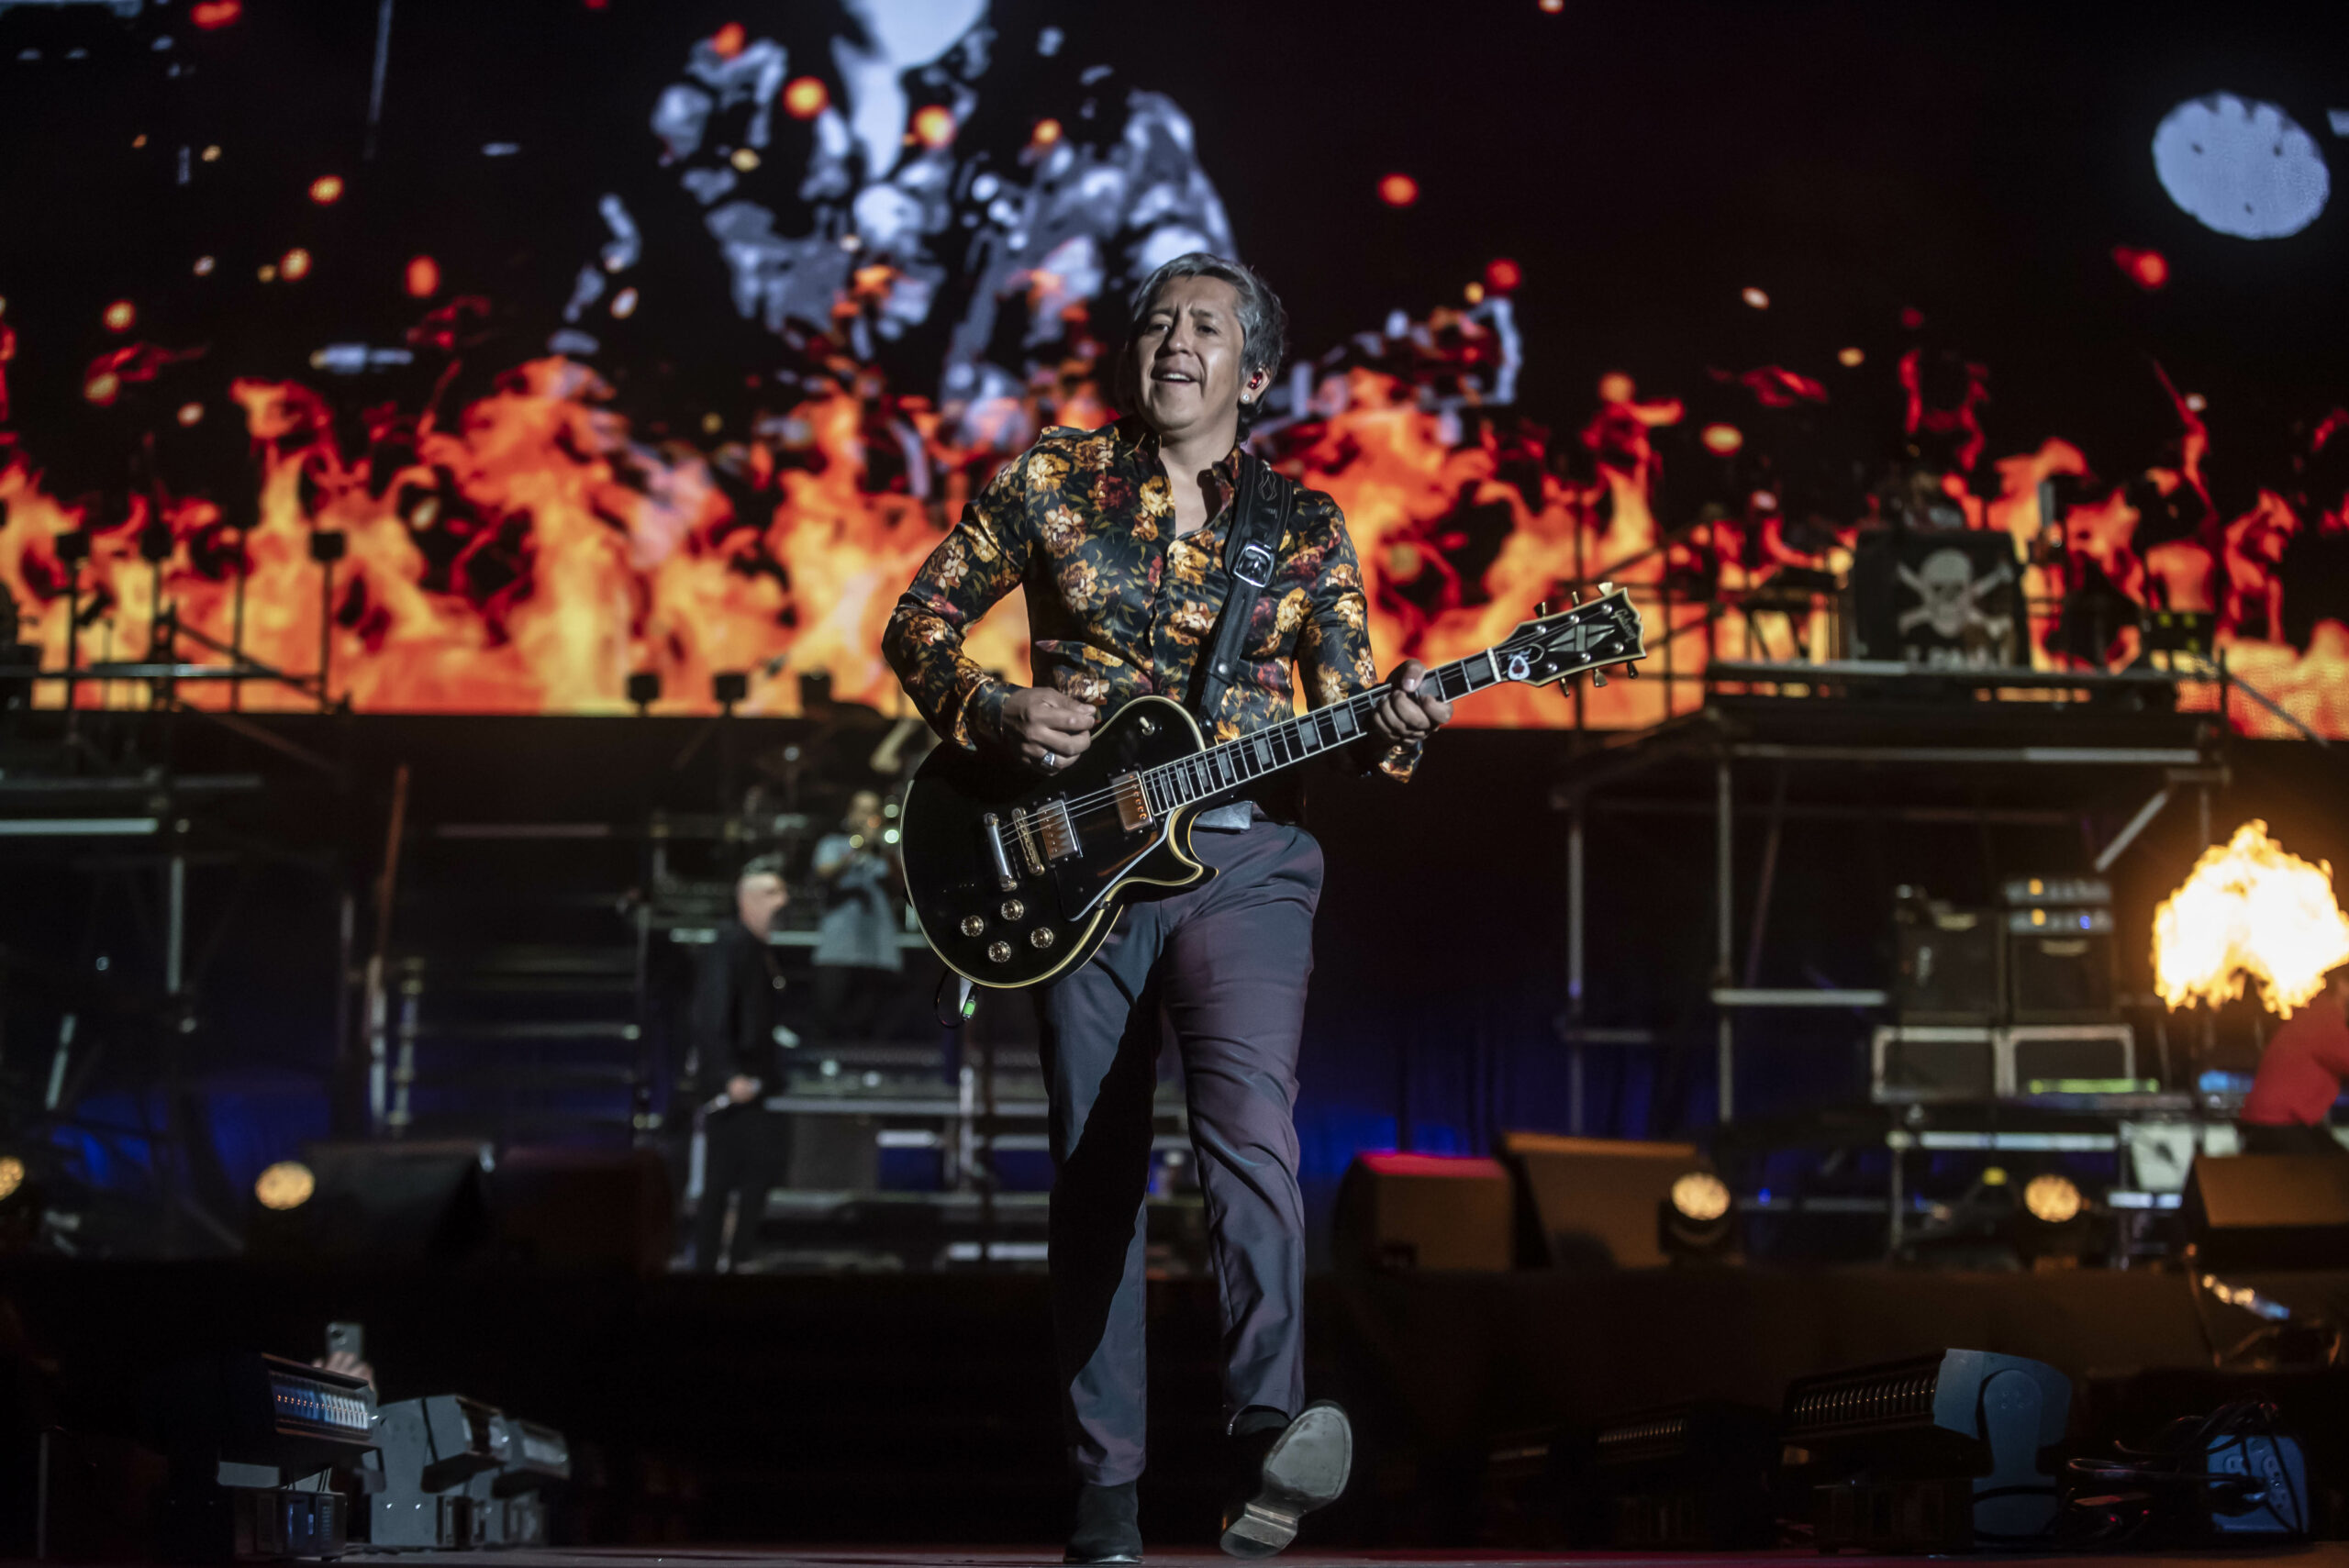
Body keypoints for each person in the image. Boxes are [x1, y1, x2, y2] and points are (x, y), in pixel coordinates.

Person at [883, 253, 1451, 1562]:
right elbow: (920, 623)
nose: (1174, 340)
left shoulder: (1302, 526)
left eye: (1205, 325)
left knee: (1250, 1129)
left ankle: (1266, 1440)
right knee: (1097, 1174)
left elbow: (1354, 713)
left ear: (1254, 372)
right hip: (1074, 868)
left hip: (1245, 862)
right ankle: (1106, 1496)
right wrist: (996, 710)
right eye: (1155, 322)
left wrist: (1403, 722)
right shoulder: (1054, 479)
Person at [689, 856, 795, 1272]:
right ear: (745, 901)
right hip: (733, 1086)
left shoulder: (761, 951)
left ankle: (737, 1257)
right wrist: (727, 1074)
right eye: (770, 893)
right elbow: (711, 1015)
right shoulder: (729, 946)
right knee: (722, 1181)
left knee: (757, 1174)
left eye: (782, 891)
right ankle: (710, 1263)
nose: (781, 901)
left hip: (756, 1081)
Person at [809, 789, 906, 1042]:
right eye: (861, 811)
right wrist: (856, 847)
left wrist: (883, 850)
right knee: (829, 1021)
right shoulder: (832, 844)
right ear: (850, 813)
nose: (866, 818)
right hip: (838, 949)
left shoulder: (888, 850)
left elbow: (903, 888)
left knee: (872, 1029)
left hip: (878, 951)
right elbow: (824, 874)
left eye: (872, 812)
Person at [2240, 963, 2349, 1156]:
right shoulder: (2323, 1017)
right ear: (2342, 986)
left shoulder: (2318, 1012)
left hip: (2276, 1120)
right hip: (2278, 1122)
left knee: (2335, 1162)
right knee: (2333, 1169)